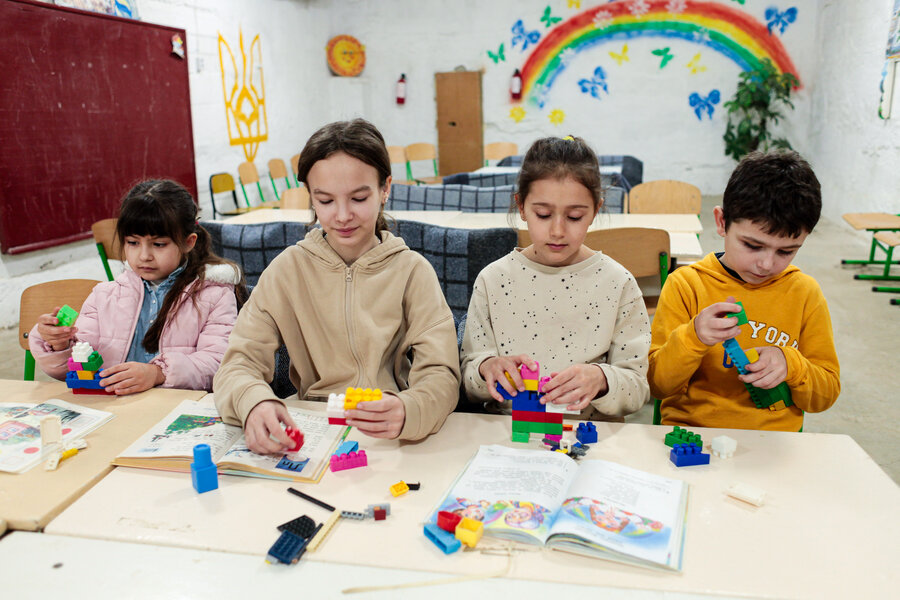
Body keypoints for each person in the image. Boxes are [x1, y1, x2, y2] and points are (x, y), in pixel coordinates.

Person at [213, 119, 460, 454]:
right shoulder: (288, 270)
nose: (342, 215)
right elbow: (237, 364)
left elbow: (442, 374)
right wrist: (253, 403)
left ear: (385, 188)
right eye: (325, 201)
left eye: (358, 198)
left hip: (391, 439)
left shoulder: (412, 271)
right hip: (313, 432)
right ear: (310, 197)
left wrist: (411, 409)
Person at [460, 136, 650, 420]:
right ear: (521, 207)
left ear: (595, 211)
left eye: (574, 217)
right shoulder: (493, 280)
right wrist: (487, 369)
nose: (558, 231)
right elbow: (470, 379)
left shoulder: (618, 283)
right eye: (543, 214)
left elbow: (637, 388)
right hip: (508, 436)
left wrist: (601, 380)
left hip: (590, 436)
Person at [648, 150, 840, 431]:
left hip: (775, 442)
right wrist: (694, 336)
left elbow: (825, 396)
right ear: (722, 222)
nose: (766, 264)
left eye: (786, 251)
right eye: (752, 245)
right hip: (694, 433)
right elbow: (658, 385)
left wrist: (791, 365)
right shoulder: (686, 285)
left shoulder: (805, 293)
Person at [29, 180, 245, 394]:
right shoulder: (105, 296)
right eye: (133, 243)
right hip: (115, 411)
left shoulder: (214, 295)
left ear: (188, 242)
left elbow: (218, 363)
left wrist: (158, 373)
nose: (144, 256)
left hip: (174, 412)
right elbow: (74, 368)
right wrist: (59, 344)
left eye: (159, 244)